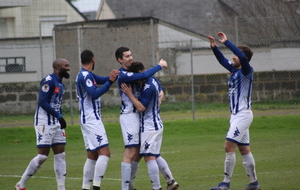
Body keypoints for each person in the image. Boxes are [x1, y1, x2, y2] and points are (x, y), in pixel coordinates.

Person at [115, 47, 178, 190]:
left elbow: (149, 84)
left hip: (143, 119)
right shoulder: (123, 75)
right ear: (120, 60)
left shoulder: (142, 77)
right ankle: (127, 187)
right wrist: (159, 66)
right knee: (133, 152)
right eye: (127, 56)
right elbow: (145, 77)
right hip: (130, 116)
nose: (130, 58)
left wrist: (160, 94)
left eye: (131, 55)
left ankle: (144, 185)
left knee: (143, 153)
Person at [208, 32, 260, 190]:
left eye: (236, 55)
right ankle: (254, 183)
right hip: (236, 116)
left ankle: (225, 183)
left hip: (243, 115)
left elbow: (242, 58)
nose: (233, 57)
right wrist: (215, 48)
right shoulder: (234, 70)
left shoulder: (246, 71)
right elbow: (222, 60)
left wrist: (227, 42)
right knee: (244, 150)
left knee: (228, 147)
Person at [15, 59, 70, 190]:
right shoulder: (48, 80)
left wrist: (59, 118)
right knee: (42, 156)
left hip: (56, 122)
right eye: (65, 66)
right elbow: (42, 102)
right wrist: (59, 116)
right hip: (44, 121)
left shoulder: (61, 84)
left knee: (61, 154)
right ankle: (21, 184)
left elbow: (56, 103)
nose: (68, 68)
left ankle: (61, 188)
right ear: (57, 67)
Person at [76, 50, 119, 190]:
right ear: (93, 59)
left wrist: (113, 76)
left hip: (86, 119)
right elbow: (94, 94)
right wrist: (111, 81)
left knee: (92, 155)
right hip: (91, 119)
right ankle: (96, 187)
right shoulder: (85, 76)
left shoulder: (85, 74)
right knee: (105, 153)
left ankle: (85, 187)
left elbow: (102, 79)